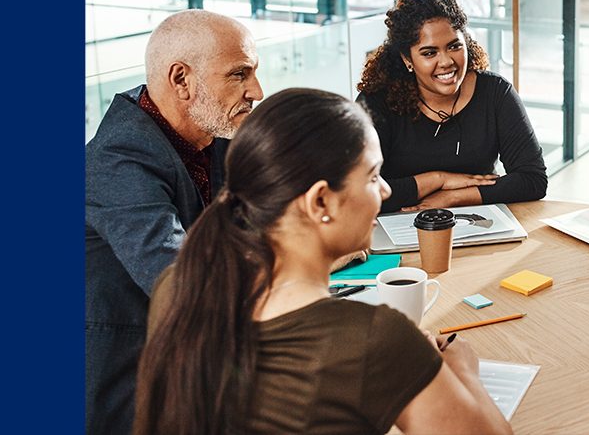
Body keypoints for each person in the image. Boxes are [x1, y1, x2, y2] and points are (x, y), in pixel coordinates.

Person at [134, 88, 512, 435]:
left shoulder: (178, 286)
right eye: (373, 176)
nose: (385, 190)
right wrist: (463, 372)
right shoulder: (374, 340)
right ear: (320, 203)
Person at [85, 10, 264, 435]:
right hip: (130, 381)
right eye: (238, 75)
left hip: (199, 359)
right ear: (181, 80)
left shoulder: (211, 134)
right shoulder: (116, 162)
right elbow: (184, 281)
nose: (257, 90)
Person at [357, 0, 547, 213]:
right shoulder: (376, 103)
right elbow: (357, 193)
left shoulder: (495, 92)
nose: (446, 62)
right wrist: (438, 180)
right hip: (397, 226)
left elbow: (533, 180)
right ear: (407, 59)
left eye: (454, 46)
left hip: (480, 223)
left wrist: (453, 198)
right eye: (429, 53)